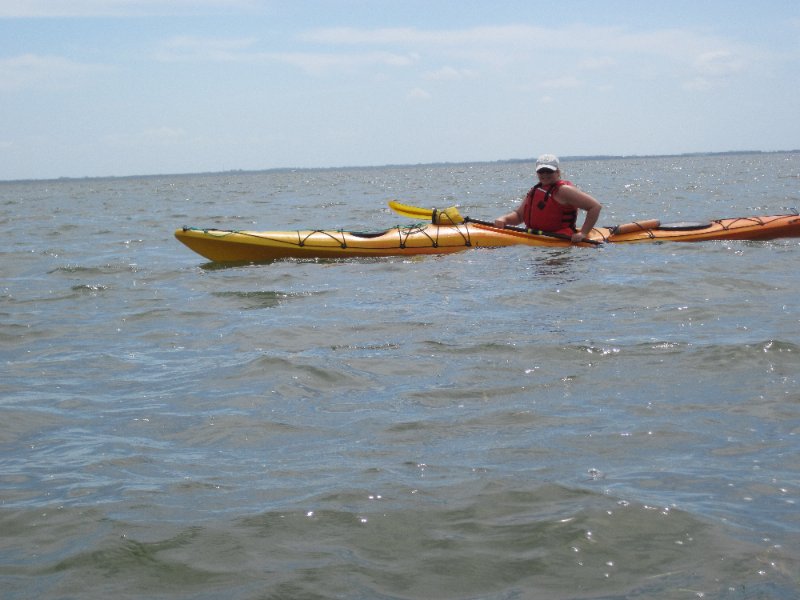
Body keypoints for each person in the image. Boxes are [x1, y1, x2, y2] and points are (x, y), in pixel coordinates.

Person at [494, 154, 602, 243]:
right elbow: (519, 216)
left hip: (560, 239)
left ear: (558, 172)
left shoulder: (564, 190)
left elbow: (595, 207)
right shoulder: (535, 190)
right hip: (536, 238)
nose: (545, 174)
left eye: (549, 171)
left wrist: (583, 233)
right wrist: (504, 219)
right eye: (541, 171)